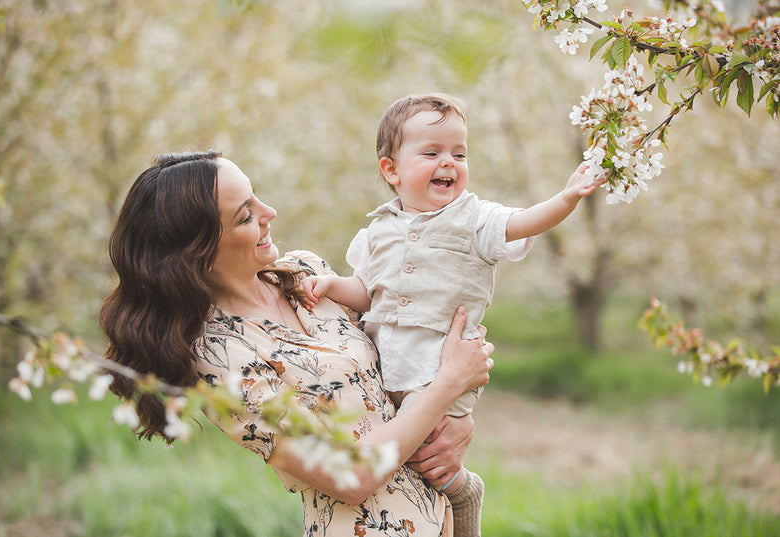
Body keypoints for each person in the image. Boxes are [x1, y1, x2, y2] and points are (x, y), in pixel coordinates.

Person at [100, 150, 494, 537]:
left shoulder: (306, 273)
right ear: (199, 251)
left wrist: (460, 417)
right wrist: (449, 385)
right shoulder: (218, 358)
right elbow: (349, 476)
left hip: (442, 518)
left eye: (256, 196)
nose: (268, 212)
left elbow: (403, 349)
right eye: (245, 216)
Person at [300, 93, 606, 531]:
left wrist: (567, 198)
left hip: (437, 367)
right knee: (405, 464)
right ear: (392, 170)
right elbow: (368, 291)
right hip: (390, 366)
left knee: (429, 458)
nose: (449, 163)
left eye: (459, 153)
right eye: (432, 152)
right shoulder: (377, 231)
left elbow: (523, 221)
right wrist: (333, 285)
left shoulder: (475, 218)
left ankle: (465, 496)